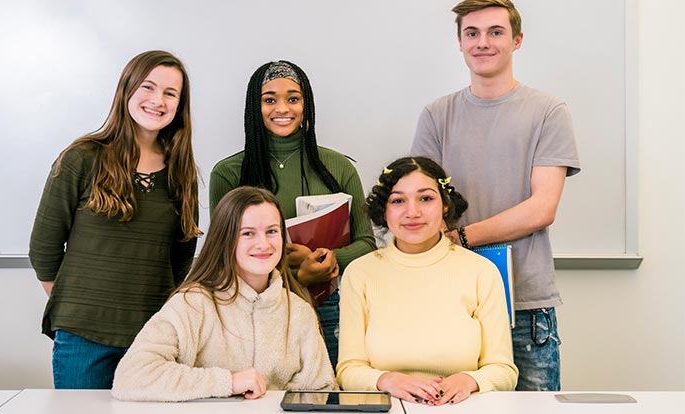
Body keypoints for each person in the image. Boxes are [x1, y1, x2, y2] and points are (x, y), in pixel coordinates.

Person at [410, 0, 580, 391]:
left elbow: (542, 208)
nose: (482, 42)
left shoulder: (548, 112)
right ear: (459, 43)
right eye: (472, 33)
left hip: (524, 305)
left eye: (495, 32)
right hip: (452, 301)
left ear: (517, 40)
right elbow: (422, 201)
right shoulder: (436, 115)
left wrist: (462, 238)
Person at [29, 50, 200, 389]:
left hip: (152, 337)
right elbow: (43, 250)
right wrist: (84, 303)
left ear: (180, 105)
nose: (157, 100)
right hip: (83, 337)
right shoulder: (81, 158)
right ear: (126, 91)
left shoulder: (182, 172)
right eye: (148, 88)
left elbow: (180, 258)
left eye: (170, 93)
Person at [209, 60, 376, 368]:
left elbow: (367, 244)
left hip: (329, 306)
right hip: (253, 309)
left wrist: (322, 259)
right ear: (253, 107)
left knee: (331, 397)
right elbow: (221, 253)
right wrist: (294, 271)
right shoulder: (228, 172)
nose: (282, 108)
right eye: (269, 99)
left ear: (305, 104)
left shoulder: (338, 167)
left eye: (293, 98)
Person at [111, 186, 335, 401]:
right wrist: (227, 382)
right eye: (248, 233)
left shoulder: (299, 312)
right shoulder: (192, 303)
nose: (263, 243)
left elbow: (322, 390)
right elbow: (131, 376)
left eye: (272, 231)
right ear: (225, 239)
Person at [337, 157, 518, 406]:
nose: (413, 212)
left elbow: (504, 370)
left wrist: (469, 381)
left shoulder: (481, 272)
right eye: (398, 200)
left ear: (445, 205)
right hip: (388, 406)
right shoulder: (359, 274)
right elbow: (348, 370)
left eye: (426, 198)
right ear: (384, 210)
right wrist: (389, 381)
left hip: (463, 406)